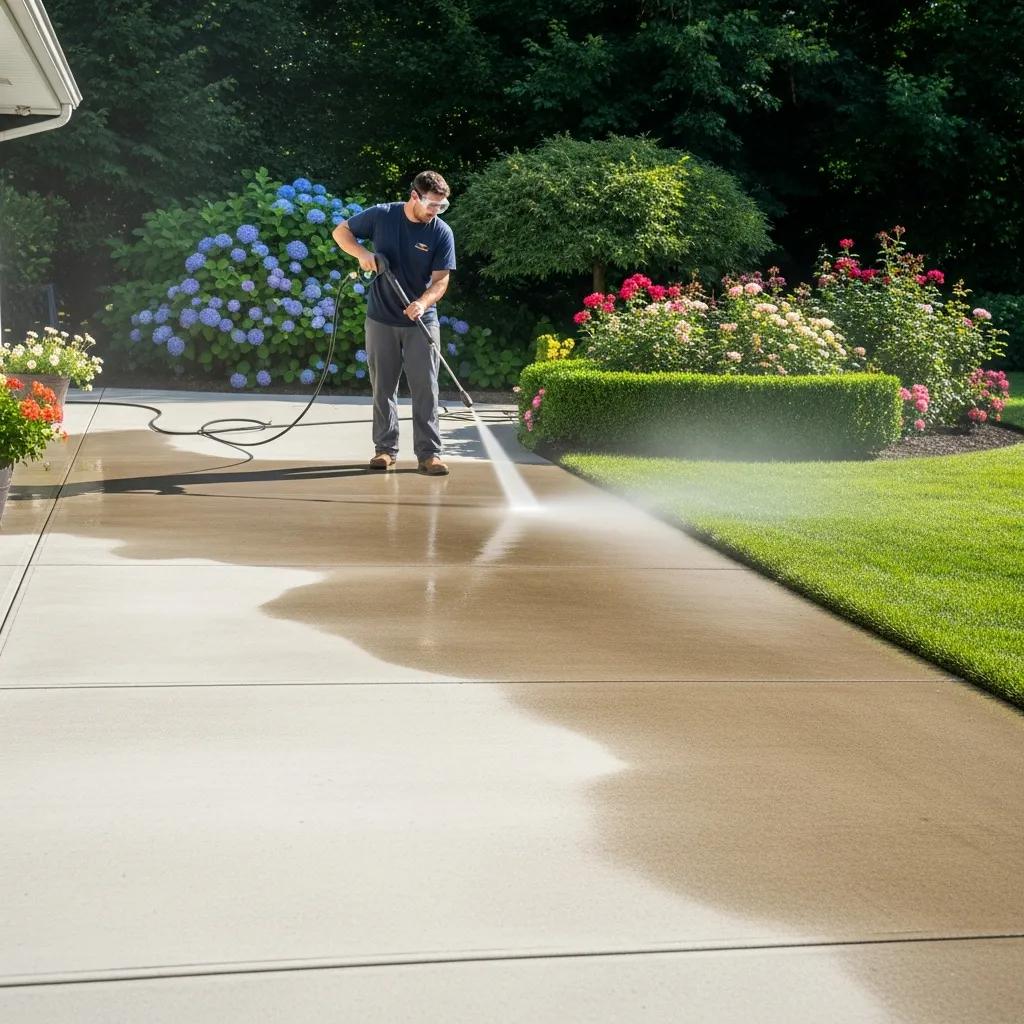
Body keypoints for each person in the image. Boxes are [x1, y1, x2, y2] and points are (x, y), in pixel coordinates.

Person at [332, 170, 456, 475]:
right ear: (414, 196)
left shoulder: (441, 232)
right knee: (383, 386)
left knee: (425, 387)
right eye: (431, 204)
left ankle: (429, 454)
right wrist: (362, 253)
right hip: (381, 318)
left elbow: (442, 281)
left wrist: (423, 303)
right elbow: (341, 232)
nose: (435, 211)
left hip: (420, 320)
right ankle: (385, 450)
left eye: (442, 206)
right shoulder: (382, 216)